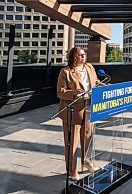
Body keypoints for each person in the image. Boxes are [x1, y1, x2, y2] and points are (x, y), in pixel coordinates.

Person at [57, 46, 99, 181]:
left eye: (84, 54)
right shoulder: (65, 72)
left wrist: (103, 85)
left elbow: (95, 82)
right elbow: (60, 92)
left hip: (89, 106)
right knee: (72, 142)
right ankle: (72, 170)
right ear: (73, 57)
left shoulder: (90, 68)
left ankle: (87, 162)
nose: (84, 57)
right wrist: (74, 93)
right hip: (72, 110)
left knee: (88, 137)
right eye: (81, 55)